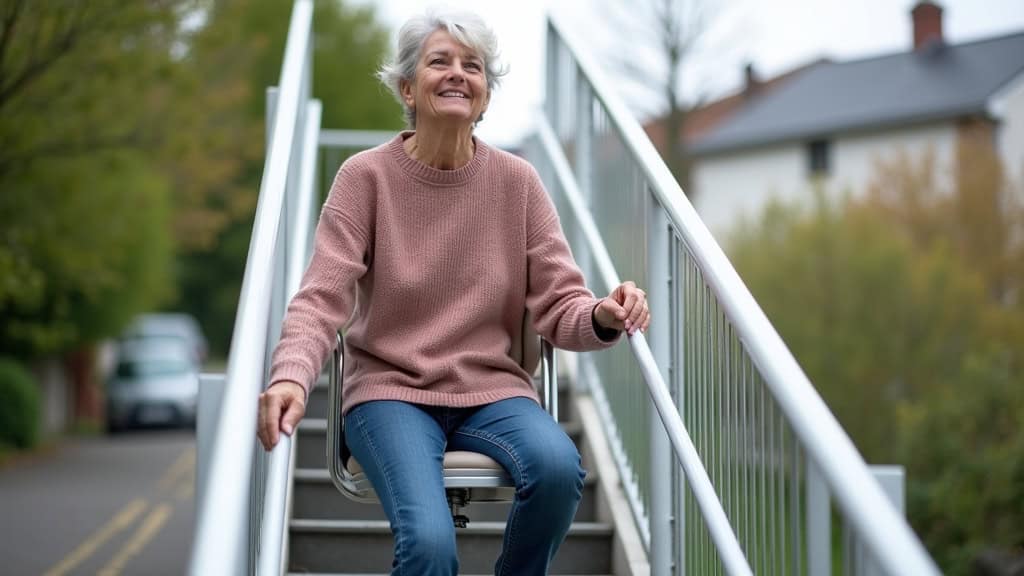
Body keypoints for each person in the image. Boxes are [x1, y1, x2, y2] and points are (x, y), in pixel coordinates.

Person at [257, 8, 650, 575]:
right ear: (407, 88)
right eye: (439, 61)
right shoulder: (364, 178)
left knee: (559, 469)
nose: (458, 74)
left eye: (473, 66)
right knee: (429, 543)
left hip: (492, 392)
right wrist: (290, 377)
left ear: (485, 96)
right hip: (390, 393)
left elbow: (561, 303)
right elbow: (320, 298)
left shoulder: (518, 182)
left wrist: (603, 315)